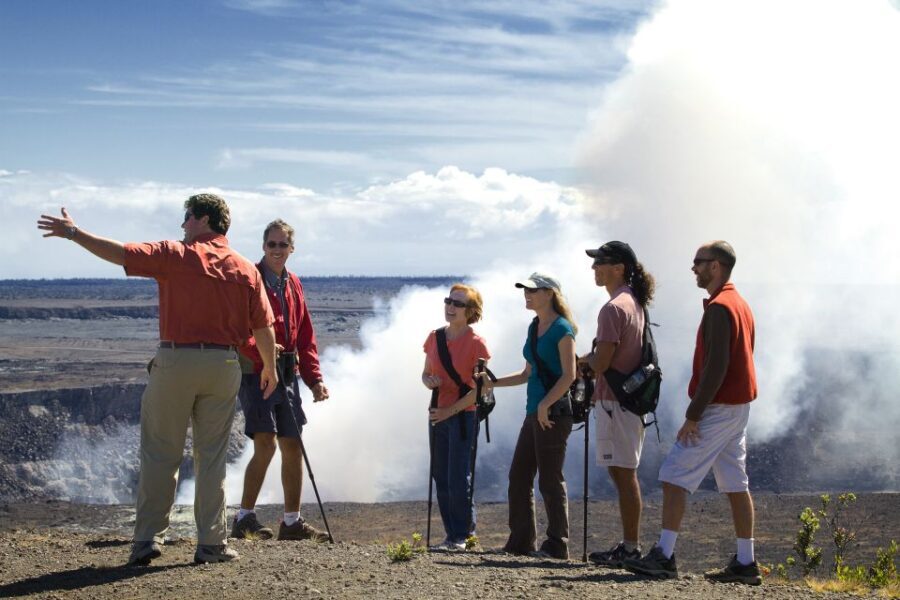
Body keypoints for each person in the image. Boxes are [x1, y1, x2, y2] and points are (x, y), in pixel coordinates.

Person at [37, 194, 278, 566]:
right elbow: (263, 326)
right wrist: (269, 367)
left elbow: (121, 253)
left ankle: (147, 539)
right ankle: (212, 544)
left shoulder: (175, 255)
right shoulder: (246, 268)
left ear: (202, 219)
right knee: (212, 457)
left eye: (186, 218)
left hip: (176, 362)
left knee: (160, 452)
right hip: (224, 365)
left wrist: (75, 234)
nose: (182, 225)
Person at [624, 241, 761, 585]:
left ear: (716, 266)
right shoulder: (739, 303)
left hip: (717, 408)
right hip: (738, 407)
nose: (694, 269)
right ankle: (746, 562)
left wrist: (694, 415)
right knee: (734, 483)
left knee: (674, 475)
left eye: (698, 263)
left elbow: (717, 366)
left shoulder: (719, 307)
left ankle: (664, 555)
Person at [230, 219, 330, 543]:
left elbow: (305, 335)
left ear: (291, 248)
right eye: (271, 244)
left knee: (292, 444)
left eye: (282, 245)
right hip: (255, 373)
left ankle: (291, 522)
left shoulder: (294, 284)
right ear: (263, 247)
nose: (276, 250)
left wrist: (314, 380)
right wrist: (259, 350)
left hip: (287, 374)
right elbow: (238, 330)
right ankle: (244, 518)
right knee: (266, 443)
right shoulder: (250, 279)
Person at [479, 272, 577, 560]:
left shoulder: (562, 329)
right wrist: (492, 383)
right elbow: (527, 373)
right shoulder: (535, 327)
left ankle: (557, 545)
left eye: (532, 290)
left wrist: (546, 404)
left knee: (549, 479)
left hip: (553, 415)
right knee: (519, 476)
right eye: (525, 290)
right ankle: (521, 542)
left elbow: (569, 375)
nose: (527, 294)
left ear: (549, 294)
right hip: (536, 411)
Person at [579, 241, 655, 568]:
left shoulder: (612, 309)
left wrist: (577, 361)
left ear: (619, 267)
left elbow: (602, 362)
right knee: (624, 472)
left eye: (600, 262)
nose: (594, 268)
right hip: (628, 402)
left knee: (624, 474)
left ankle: (631, 547)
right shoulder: (633, 303)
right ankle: (629, 545)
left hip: (615, 402)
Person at [422, 284, 490, 551]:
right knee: (441, 475)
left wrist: (447, 411)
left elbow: (479, 391)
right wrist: (430, 381)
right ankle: (453, 536)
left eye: (458, 304)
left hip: (463, 417)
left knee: (459, 476)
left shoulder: (477, 344)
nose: (450, 307)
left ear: (471, 311)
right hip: (438, 412)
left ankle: (462, 535)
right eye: (449, 301)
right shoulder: (434, 337)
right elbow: (425, 373)